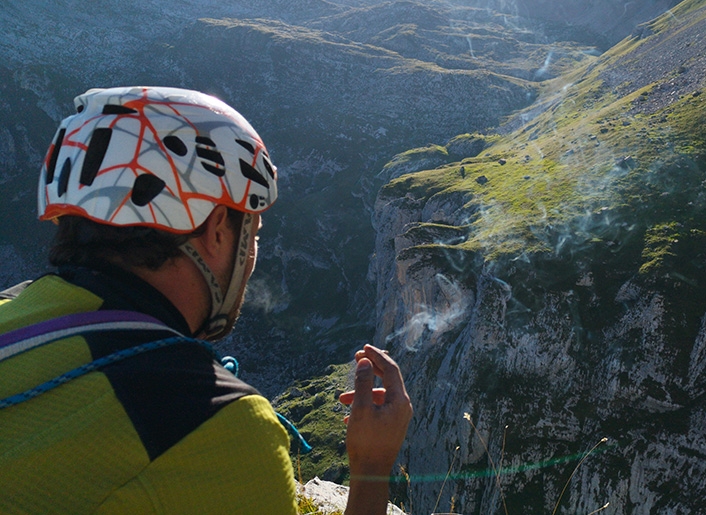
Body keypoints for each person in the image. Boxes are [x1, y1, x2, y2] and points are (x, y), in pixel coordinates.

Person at [0, 86, 412, 514]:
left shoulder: (9, 308)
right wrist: (372, 468)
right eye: (252, 234)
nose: (252, 256)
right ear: (217, 230)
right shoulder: (218, 429)